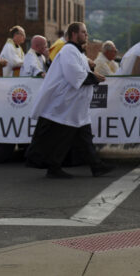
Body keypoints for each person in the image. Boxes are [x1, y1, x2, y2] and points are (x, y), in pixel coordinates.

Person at [25, 22, 115, 179]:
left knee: (81, 137)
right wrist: (94, 77)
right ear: (74, 34)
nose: (86, 35)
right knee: (63, 139)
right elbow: (74, 74)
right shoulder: (68, 50)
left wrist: (90, 68)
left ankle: (95, 166)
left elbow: (81, 70)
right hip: (66, 105)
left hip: (76, 105)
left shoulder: (77, 52)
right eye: (83, 32)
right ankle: (58, 167)